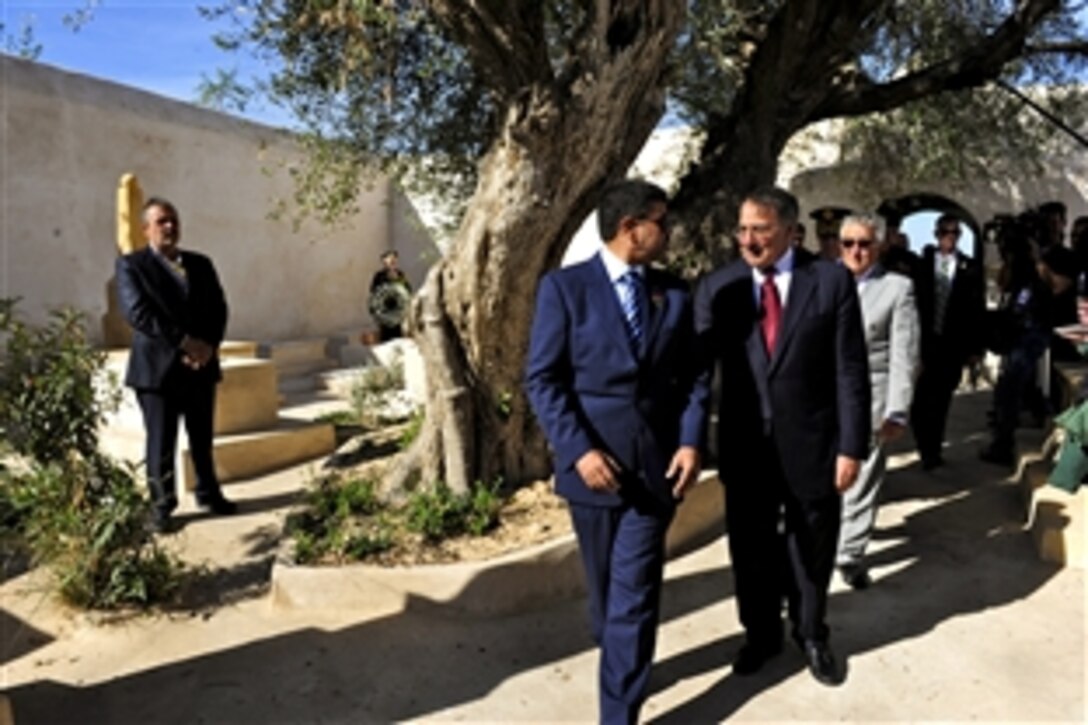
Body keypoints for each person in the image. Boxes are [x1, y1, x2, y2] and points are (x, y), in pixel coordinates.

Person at [525, 180, 708, 724]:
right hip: (593, 472)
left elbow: (695, 378)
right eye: (661, 221)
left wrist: (692, 440)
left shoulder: (674, 294)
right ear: (630, 227)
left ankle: (618, 712)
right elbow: (543, 380)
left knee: (634, 595)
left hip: (656, 472)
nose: (669, 232)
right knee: (606, 597)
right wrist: (578, 450)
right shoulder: (564, 289)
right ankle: (623, 659)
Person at [694, 187, 869, 686]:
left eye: (760, 230)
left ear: (790, 230)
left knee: (811, 546)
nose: (749, 240)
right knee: (750, 548)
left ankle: (812, 633)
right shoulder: (719, 287)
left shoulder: (830, 280)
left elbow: (849, 371)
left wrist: (851, 446)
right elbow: (698, 375)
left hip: (813, 446)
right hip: (746, 449)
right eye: (743, 229)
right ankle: (761, 634)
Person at [116, 198, 236, 533]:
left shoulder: (201, 263)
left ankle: (209, 494)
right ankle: (161, 506)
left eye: (173, 220)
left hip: (200, 367)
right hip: (157, 371)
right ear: (146, 229)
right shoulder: (132, 266)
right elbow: (138, 314)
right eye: (162, 222)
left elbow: (219, 308)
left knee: (202, 438)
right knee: (161, 441)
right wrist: (186, 343)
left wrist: (208, 348)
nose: (170, 227)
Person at [836, 215, 920, 589]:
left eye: (865, 244)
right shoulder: (820, 280)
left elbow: (905, 352)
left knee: (861, 478)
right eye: (849, 243)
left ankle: (849, 554)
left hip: (872, 396)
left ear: (879, 246)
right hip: (822, 399)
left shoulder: (897, 288)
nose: (856, 251)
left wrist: (897, 408)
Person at [910, 214, 985, 470]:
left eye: (954, 233)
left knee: (941, 400)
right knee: (920, 402)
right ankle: (923, 442)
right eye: (944, 232)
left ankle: (932, 451)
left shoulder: (970, 267)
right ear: (936, 234)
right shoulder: (922, 264)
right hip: (924, 343)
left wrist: (976, 349)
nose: (949, 237)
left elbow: (977, 310)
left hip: (952, 345)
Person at [369, 250, 412, 341]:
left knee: (398, 334)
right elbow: (374, 291)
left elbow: (407, 289)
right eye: (390, 259)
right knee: (386, 336)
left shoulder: (400, 274)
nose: (393, 261)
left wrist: (397, 280)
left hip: (397, 311)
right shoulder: (379, 276)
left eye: (395, 259)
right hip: (385, 311)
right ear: (384, 261)